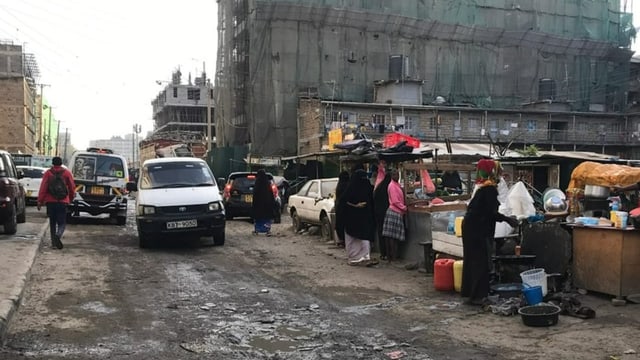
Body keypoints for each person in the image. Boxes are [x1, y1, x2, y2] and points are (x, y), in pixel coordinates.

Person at [461, 159, 518, 305]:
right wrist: (508, 219)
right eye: (497, 171)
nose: (499, 175)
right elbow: (491, 214)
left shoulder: (483, 188)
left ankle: (472, 294)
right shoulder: (489, 190)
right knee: (480, 262)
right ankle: (478, 296)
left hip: (471, 227)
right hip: (477, 230)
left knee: (472, 261)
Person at [37, 156, 76, 249]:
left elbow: (43, 187)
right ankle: (58, 235)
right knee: (62, 223)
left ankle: (54, 243)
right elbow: (72, 187)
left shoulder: (48, 173)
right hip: (63, 201)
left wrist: (40, 201)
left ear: (52, 163)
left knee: (52, 222)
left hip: (50, 201)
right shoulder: (67, 173)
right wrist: (70, 198)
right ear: (61, 163)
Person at [340, 169, 377, 266]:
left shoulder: (362, 187)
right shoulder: (354, 188)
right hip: (354, 220)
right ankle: (357, 258)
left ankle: (364, 257)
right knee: (357, 239)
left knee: (363, 239)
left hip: (360, 219)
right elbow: (344, 202)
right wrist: (356, 206)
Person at [381, 169, 407, 261]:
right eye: (395, 175)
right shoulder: (392, 186)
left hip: (397, 211)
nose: (397, 176)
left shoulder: (397, 185)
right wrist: (404, 208)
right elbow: (395, 201)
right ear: (392, 176)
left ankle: (392, 256)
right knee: (392, 237)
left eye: (397, 174)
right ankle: (392, 256)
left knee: (393, 237)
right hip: (394, 211)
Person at [373, 171, 392, 259]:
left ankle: (383, 253)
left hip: (378, 213)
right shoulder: (389, 187)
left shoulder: (379, 187)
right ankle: (388, 253)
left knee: (381, 233)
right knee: (388, 234)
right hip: (386, 213)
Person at [252, 169, 276, 236]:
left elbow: (255, 194)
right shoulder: (267, 184)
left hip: (258, 205)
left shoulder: (257, 183)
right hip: (267, 205)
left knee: (258, 218)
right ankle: (267, 230)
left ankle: (257, 230)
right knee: (266, 218)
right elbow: (271, 194)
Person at [333, 170, 351, 247]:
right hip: (347, 208)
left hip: (340, 208)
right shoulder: (348, 185)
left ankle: (342, 240)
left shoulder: (339, 186)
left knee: (340, 224)